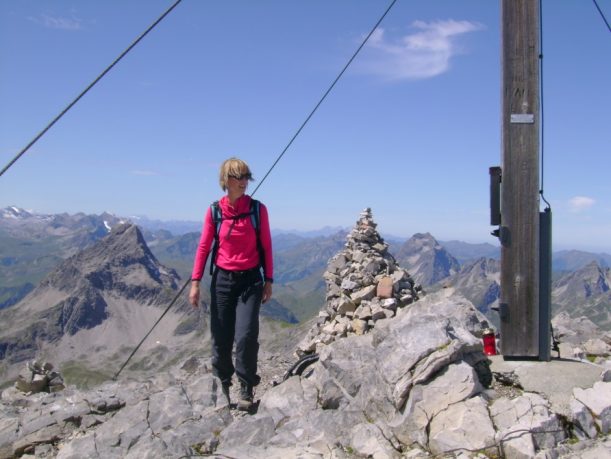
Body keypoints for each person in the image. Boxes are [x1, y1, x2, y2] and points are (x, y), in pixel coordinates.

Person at [189, 157, 273, 411]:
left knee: (246, 335)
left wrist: (268, 280)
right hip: (223, 280)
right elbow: (204, 247)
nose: (245, 182)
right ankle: (223, 385)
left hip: (250, 280)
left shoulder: (258, 210)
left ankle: (246, 388)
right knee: (221, 336)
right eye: (240, 177)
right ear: (227, 180)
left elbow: (267, 246)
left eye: (247, 176)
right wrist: (195, 282)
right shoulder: (215, 211)